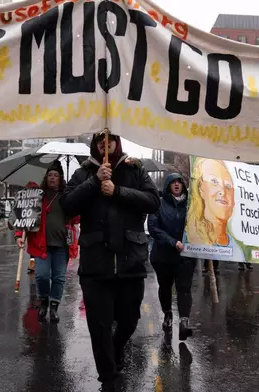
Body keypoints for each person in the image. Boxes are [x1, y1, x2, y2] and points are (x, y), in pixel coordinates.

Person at [60, 131, 159, 391]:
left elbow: (153, 202)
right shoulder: (84, 173)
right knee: (99, 325)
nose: (105, 144)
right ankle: (109, 379)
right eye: (100, 140)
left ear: (118, 142)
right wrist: (94, 181)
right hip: (96, 265)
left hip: (130, 263)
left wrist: (118, 191)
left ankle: (114, 351)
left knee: (129, 321)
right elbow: (68, 205)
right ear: (94, 145)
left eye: (110, 139)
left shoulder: (135, 169)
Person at [15, 162, 79, 323]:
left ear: (61, 179)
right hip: (41, 244)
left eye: (56, 175)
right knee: (42, 276)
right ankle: (44, 301)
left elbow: (77, 218)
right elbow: (24, 216)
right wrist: (18, 235)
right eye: (50, 175)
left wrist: (77, 203)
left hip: (62, 245)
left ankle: (54, 307)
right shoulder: (37, 196)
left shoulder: (67, 197)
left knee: (59, 278)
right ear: (46, 177)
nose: (52, 178)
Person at [148, 173, 196, 341]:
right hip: (163, 256)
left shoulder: (192, 206)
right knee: (165, 287)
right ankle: (167, 314)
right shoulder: (159, 205)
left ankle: (184, 322)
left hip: (185, 257)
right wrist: (172, 242)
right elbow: (153, 228)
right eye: (173, 182)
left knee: (184, 288)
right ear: (168, 185)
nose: (176, 185)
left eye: (179, 182)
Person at [185, 158, 250, 269]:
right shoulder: (190, 237)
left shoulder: (238, 250)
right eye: (214, 182)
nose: (222, 191)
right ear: (200, 188)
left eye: (228, 186)